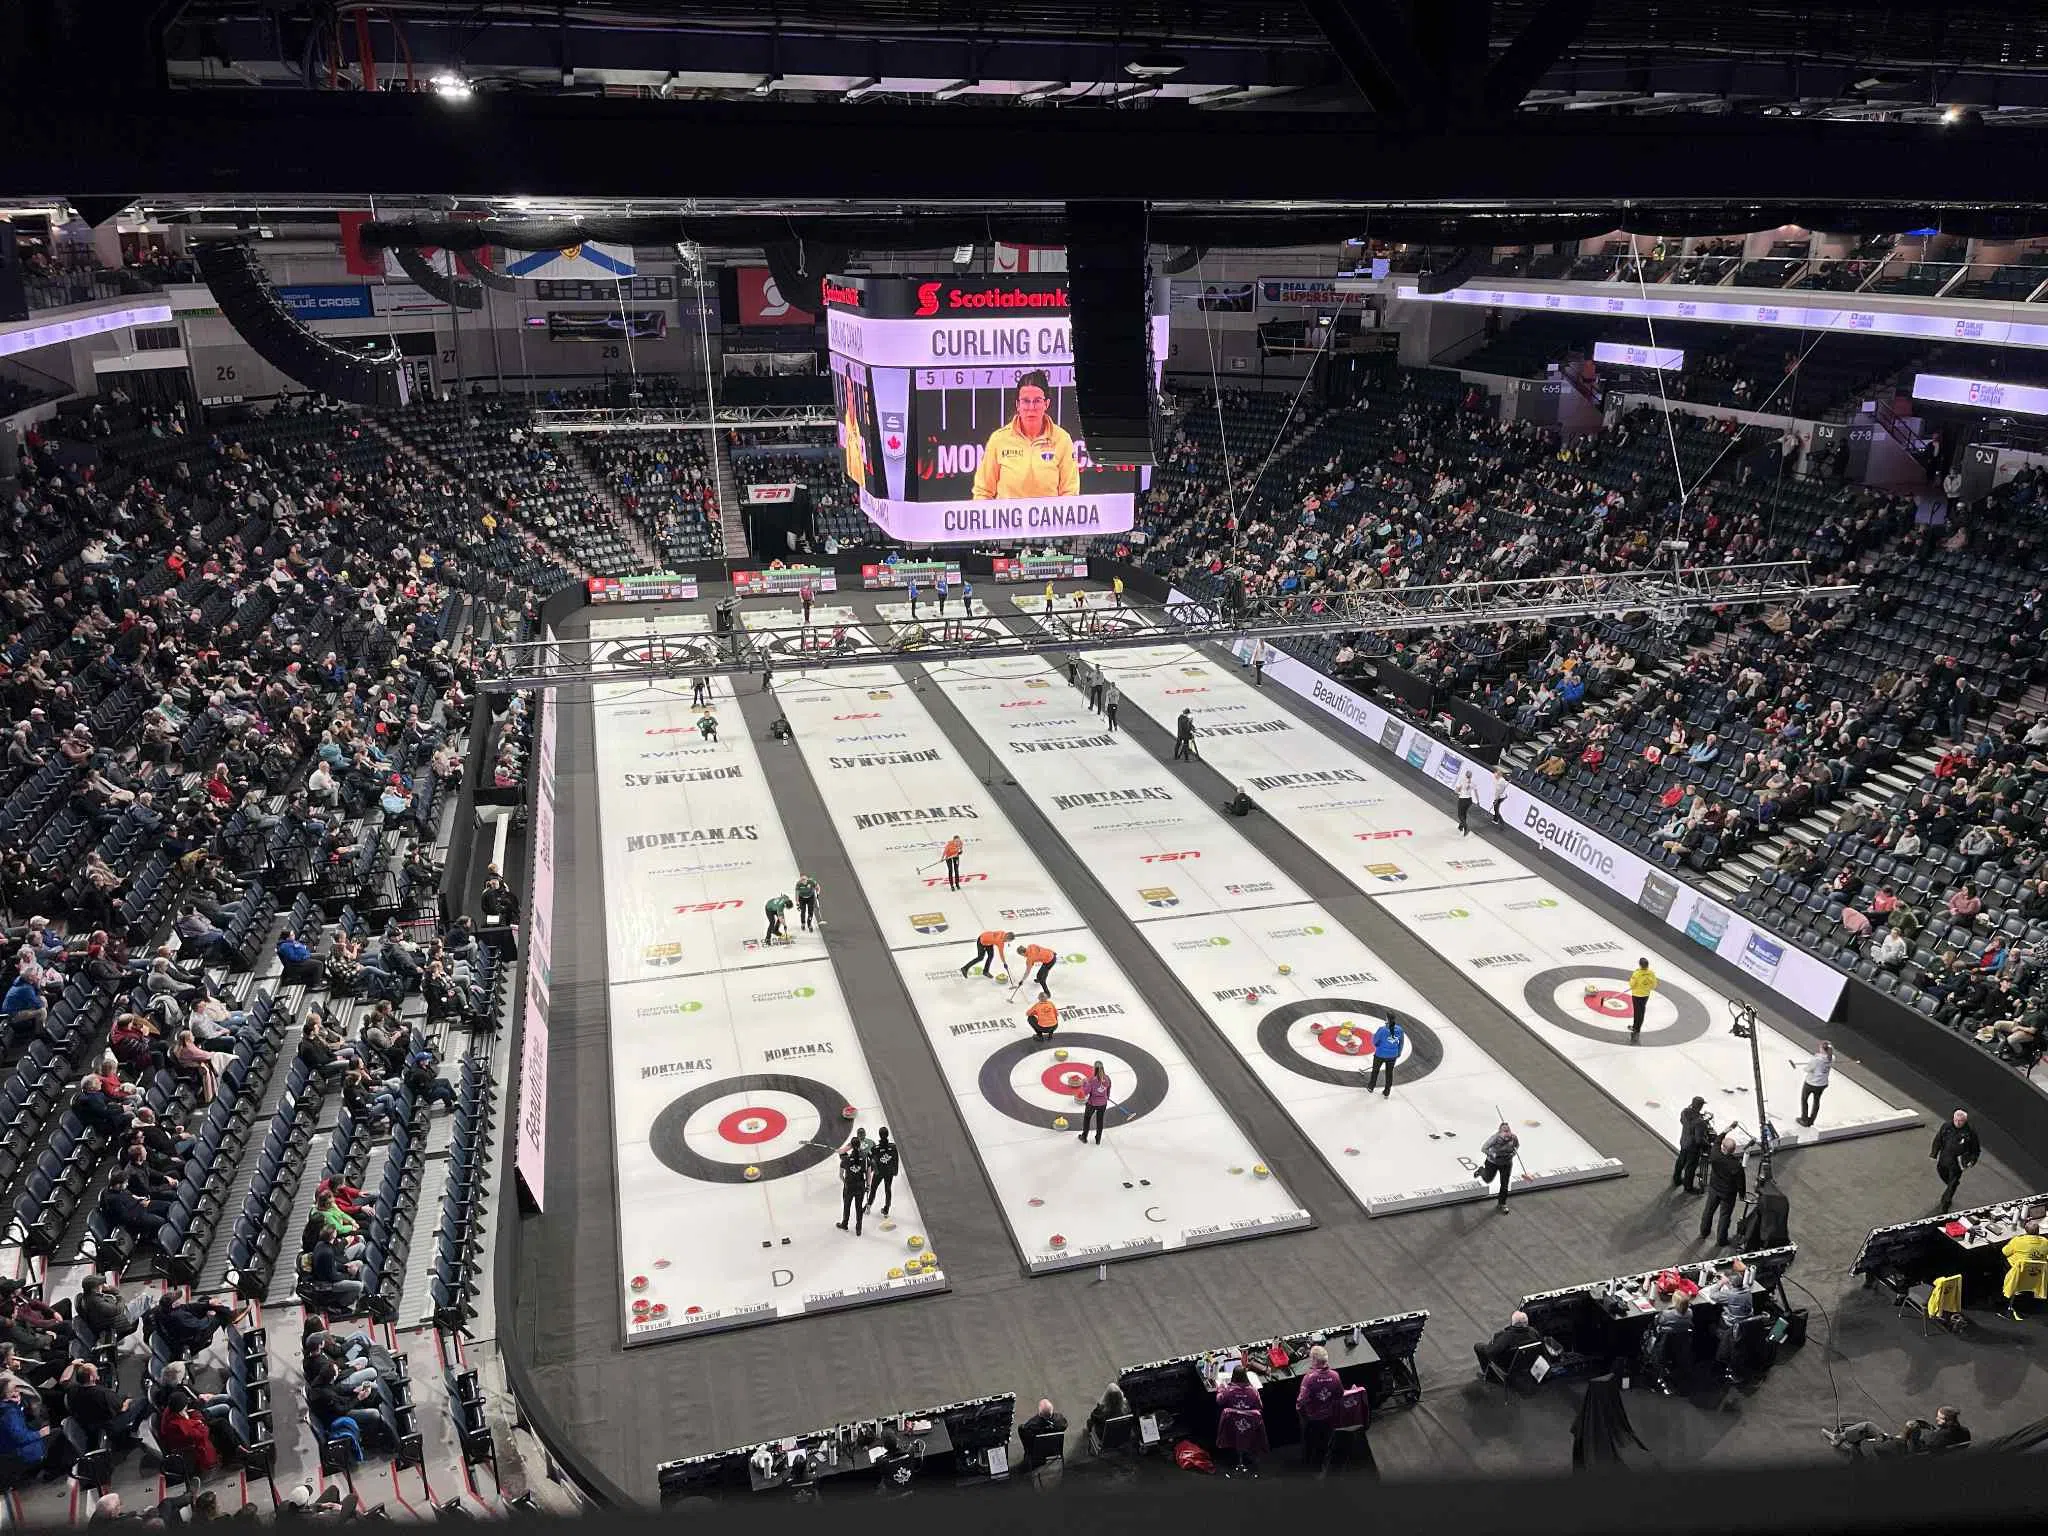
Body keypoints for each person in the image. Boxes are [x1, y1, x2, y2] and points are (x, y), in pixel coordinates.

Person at [972, 371, 1078, 500]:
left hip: (1048, 519)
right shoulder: (998, 440)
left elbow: (1070, 493)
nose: (1031, 407)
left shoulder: (1062, 439)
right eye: (1026, 401)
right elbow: (983, 492)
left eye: (1037, 401)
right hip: (1008, 519)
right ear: (1018, 405)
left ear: (1046, 404)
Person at [1826, 1405, 1969, 1457]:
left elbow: (1915, 1449)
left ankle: (1839, 1438)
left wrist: (1910, 1433)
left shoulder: (1936, 1438)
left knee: (1867, 1426)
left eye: (1939, 1418)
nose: (1936, 1419)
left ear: (1948, 1420)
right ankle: (1841, 1437)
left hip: (1898, 1450)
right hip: (1908, 1448)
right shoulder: (1964, 1432)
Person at [1294, 1344, 1346, 1467]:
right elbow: (1340, 1395)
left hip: (1312, 1419)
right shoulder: (1335, 1376)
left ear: (1314, 1361)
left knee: (1309, 1443)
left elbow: (1300, 1402)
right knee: (1324, 1443)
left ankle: (1307, 1464)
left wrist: (1303, 1416)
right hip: (1328, 1417)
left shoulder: (1309, 1379)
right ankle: (1320, 1464)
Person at [1213, 1364, 1266, 1479]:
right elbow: (1260, 1406)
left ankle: (1238, 1458)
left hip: (1232, 1427)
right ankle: (1243, 1456)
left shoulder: (1229, 1390)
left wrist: (1220, 1387)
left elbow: (1219, 1400)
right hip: (1249, 1427)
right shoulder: (1253, 1391)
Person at [1699, 1133, 1747, 1246]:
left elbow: (1716, 1141)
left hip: (1714, 1189)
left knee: (1708, 1211)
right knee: (1725, 1216)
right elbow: (1740, 1182)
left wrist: (1727, 1130)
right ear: (1734, 1150)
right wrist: (1742, 1194)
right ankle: (1721, 1240)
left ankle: (1704, 1232)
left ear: (1723, 1148)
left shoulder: (1715, 1155)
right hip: (1728, 1194)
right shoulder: (1736, 1165)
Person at [1931, 1109, 1981, 1212]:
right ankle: (1952, 1185)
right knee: (1942, 1174)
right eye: (1956, 1120)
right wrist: (1934, 1153)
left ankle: (1945, 1203)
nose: (1958, 1122)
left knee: (1952, 1183)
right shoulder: (1946, 1126)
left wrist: (1972, 1160)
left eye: (1961, 1121)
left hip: (1958, 1162)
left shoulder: (1970, 1132)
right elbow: (1938, 1139)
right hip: (1944, 1158)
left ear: (1965, 1121)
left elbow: (1976, 1149)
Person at [1474, 1310, 1542, 1378]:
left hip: (1509, 1366)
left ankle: (1488, 1376)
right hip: (1528, 1362)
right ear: (1526, 1322)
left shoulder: (1507, 1336)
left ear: (1513, 1323)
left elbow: (1490, 1352)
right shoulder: (1533, 1332)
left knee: (1478, 1346)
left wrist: (1492, 1342)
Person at [1476, 1121, 1518, 1212]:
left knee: (1504, 1184)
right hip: (1493, 1162)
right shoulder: (1494, 1138)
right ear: (1500, 1132)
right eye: (1504, 1130)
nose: (1507, 1132)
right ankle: (1481, 1171)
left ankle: (1502, 1203)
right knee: (1488, 1179)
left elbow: (1516, 1147)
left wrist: (1512, 1154)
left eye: (1508, 1130)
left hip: (1506, 1163)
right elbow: (1483, 1148)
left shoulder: (1514, 1138)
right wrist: (1493, 1154)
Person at [1673, 1097, 1712, 1193]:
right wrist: (1708, 1145)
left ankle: (1677, 1179)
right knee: (1691, 1167)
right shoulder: (1700, 1122)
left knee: (1681, 1161)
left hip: (1684, 1142)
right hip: (1693, 1148)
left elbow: (1685, 1122)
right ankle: (1688, 1187)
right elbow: (1699, 1140)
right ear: (1700, 1106)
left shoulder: (1684, 1112)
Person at [1017, 1398, 1067, 1469]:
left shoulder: (1031, 1426)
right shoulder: (1060, 1420)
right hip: (1055, 1450)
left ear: (1040, 1413)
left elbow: (1025, 1437)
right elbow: (1064, 1426)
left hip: (1037, 1453)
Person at [1795, 1041, 1834, 1127]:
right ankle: (1812, 1120)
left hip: (1811, 1083)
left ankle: (1804, 1119)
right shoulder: (1832, 1058)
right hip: (1822, 1084)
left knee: (1804, 1100)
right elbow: (1823, 1060)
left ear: (1823, 1049)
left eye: (1820, 1047)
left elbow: (1807, 1069)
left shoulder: (1816, 1059)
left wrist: (1813, 1062)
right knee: (1816, 1101)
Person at [1366, 1011, 1404, 1097]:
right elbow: (1401, 1042)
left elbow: (1375, 1041)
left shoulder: (1382, 1030)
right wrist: (1399, 1052)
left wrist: (1377, 1043)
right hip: (1392, 1055)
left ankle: (1371, 1086)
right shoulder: (1400, 1030)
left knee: (1375, 1071)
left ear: (1387, 1018)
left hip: (1380, 1054)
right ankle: (1387, 1091)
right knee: (1389, 1073)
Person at [864, 1127, 899, 1218]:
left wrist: (874, 1167)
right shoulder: (893, 1146)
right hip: (889, 1172)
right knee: (888, 1189)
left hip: (879, 1172)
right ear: (887, 1134)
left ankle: (868, 1206)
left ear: (879, 1135)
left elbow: (869, 1158)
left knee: (873, 1188)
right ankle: (886, 1209)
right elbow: (896, 1159)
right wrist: (895, 1170)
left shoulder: (875, 1149)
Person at [835, 1143, 869, 1237]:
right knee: (859, 1208)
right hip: (860, 1187)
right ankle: (859, 1229)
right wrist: (868, 1185)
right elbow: (868, 1173)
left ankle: (844, 1224)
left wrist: (845, 1182)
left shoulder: (846, 1159)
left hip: (849, 1187)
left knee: (847, 1206)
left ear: (851, 1147)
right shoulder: (864, 1158)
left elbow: (841, 1175)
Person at [1078, 1062, 1111, 1144]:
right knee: (1100, 1120)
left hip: (1092, 1103)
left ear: (1094, 1069)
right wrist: (1107, 1096)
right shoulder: (1107, 1079)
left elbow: (1086, 1092)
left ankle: (1084, 1137)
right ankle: (1098, 1139)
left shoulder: (1092, 1080)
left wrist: (1084, 1083)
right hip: (1103, 1103)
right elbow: (1108, 1088)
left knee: (1087, 1118)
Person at [1627, 957, 1658, 1039]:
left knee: (1637, 1011)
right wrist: (1646, 988)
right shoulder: (1651, 973)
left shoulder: (1637, 973)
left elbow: (1631, 985)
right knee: (1641, 1011)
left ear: (1640, 965)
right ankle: (1637, 1027)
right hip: (1645, 995)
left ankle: (1635, 1028)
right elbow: (1654, 985)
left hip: (1637, 995)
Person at [1455, 768, 1475, 836]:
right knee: (1464, 813)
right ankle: (1461, 826)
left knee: (1460, 815)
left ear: (1465, 775)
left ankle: (1466, 827)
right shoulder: (1472, 782)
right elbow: (1474, 790)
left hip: (1463, 799)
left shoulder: (1462, 780)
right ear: (1471, 776)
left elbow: (1457, 790)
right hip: (1469, 800)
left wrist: (1458, 792)